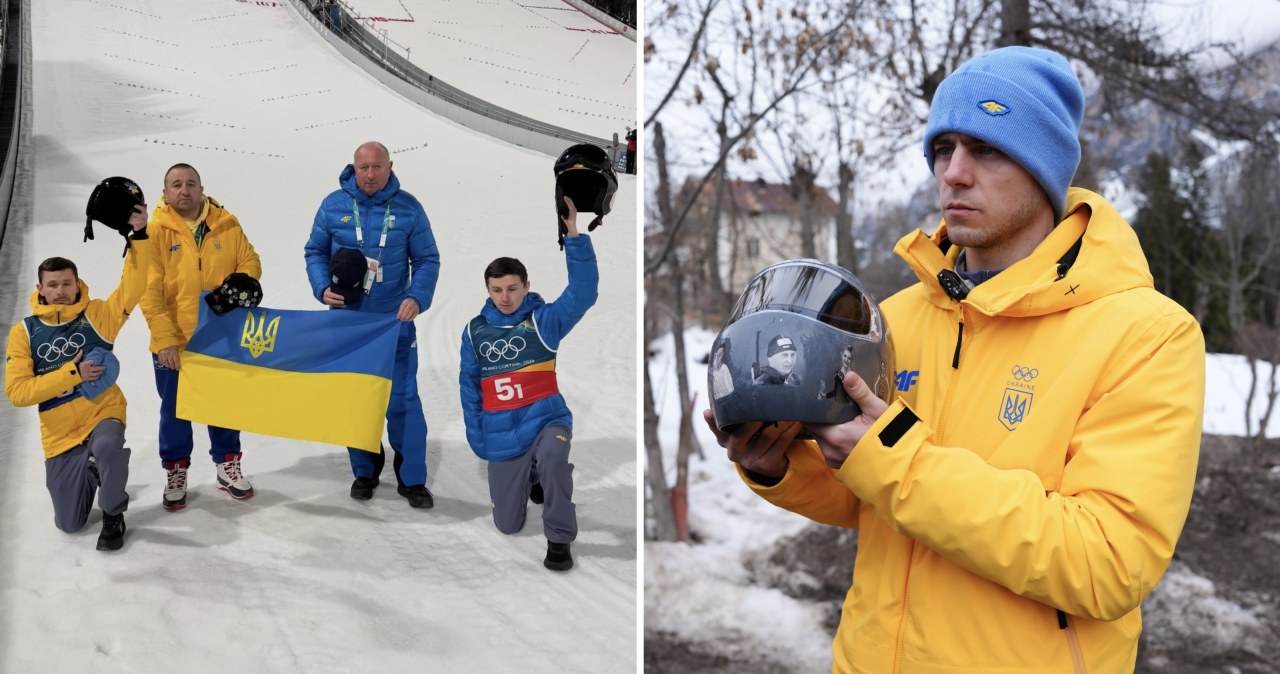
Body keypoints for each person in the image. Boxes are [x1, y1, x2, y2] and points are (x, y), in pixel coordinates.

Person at [705, 46, 1205, 673]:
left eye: (987, 149)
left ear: (1044, 168)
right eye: (943, 149)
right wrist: (779, 465)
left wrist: (892, 458)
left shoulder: (1146, 333)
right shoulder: (896, 318)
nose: (954, 174)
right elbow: (867, 498)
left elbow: (1106, 562)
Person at [459, 196, 598, 571]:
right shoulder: (475, 331)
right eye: (496, 289)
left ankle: (559, 538)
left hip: (546, 420)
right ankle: (530, 474)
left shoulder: (544, 321)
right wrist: (478, 436)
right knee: (508, 525)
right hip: (502, 431)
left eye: (512, 288)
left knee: (554, 459)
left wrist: (573, 235)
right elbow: (470, 388)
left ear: (526, 286)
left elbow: (583, 293)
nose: (505, 297)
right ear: (487, 290)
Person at [304, 141, 441, 508]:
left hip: (393, 324)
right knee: (356, 399)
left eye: (377, 166)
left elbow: (427, 259)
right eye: (363, 167)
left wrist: (416, 297)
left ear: (390, 167)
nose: (370, 174)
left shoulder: (409, 209)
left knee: (403, 401)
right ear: (353, 167)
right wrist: (321, 287)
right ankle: (365, 470)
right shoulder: (333, 205)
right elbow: (315, 251)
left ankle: (412, 478)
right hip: (349, 326)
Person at [4, 205, 149, 550]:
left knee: (107, 446)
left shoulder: (98, 314)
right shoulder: (24, 332)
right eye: (52, 284)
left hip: (102, 411)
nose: (60, 290)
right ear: (40, 287)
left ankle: (114, 513)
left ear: (77, 282)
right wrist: (72, 373)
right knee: (69, 523)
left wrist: (139, 237)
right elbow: (18, 392)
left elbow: (134, 286)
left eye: (66, 283)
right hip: (60, 433)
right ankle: (91, 469)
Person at [141, 163, 262, 511]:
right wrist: (165, 340)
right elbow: (149, 293)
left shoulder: (226, 223)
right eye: (176, 184)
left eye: (190, 183)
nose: (184, 190)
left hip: (219, 339)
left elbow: (249, 260)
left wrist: (242, 282)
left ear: (201, 188)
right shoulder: (155, 234)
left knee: (223, 405)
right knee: (175, 411)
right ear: (165, 193)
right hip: (173, 344)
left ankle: (227, 464)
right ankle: (176, 470)